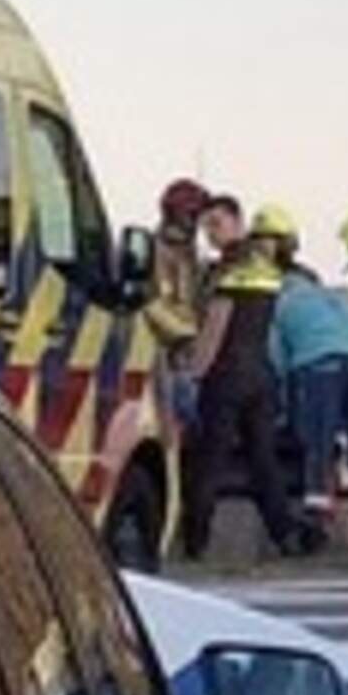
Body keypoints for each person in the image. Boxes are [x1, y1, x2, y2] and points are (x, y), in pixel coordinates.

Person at [183, 199, 304, 561]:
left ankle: (195, 542)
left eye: (216, 225)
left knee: (210, 460)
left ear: (237, 222)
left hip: (226, 376)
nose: (211, 234)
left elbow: (216, 328)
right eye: (207, 227)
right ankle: (285, 534)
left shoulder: (230, 271)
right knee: (263, 458)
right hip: (261, 375)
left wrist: (194, 372)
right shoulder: (266, 270)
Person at [272, 243, 348, 541]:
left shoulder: (281, 302)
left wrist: (283, 405)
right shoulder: (341, 296)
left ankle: (318, 520)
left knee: (318, 443)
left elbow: (277, 359)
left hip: (320, 366)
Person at [142, 177, 213, 425]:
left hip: (191, 358)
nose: (198, 224)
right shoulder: (154, 252)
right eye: (194, 215)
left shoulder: (192, 257)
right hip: (168, 357)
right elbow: (150, 304)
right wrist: (189, 334)